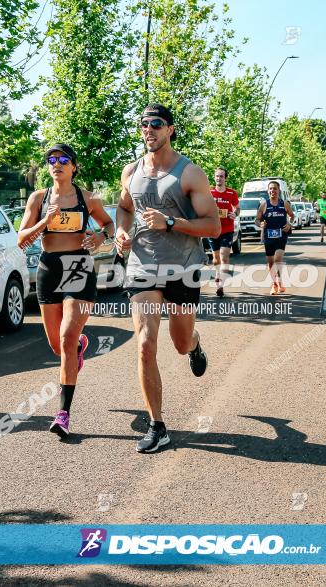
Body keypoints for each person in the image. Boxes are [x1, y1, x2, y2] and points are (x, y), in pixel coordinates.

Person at [115, 104, 220, 454]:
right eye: (143, 124)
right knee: (145, 343)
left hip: (183, 267)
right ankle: (157, 425)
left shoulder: (190, 173)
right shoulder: (131, 172)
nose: (148, 130)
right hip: (142, 266)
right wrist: (120, 232)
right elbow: (126, 207)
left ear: (170, 129)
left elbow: (213, 226)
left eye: (156, 124)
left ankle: (195, 344)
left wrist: (172, 222)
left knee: (179, 341)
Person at [18, 144, 115, 438]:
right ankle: (78, 347)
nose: (56, 164)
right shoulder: (38, 198)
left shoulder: (88, 198)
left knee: (66, 335)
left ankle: (63, 414)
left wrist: (101, 237)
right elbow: (21, 239)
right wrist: (45, 221)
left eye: (62, 159)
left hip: (78, 267)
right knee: (58, 347)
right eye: (51, 160)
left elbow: (110, 224)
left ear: (73, 166)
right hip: (49, 268)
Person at [255, 181, 295, 295]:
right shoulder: (264, 205)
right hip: (269, 236)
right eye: (271, 189)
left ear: (279, 191)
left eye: (275, 189)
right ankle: (276, 283)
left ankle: (277, 283)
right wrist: (260, 224)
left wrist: (289, 224)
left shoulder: (284, 204)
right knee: (271, 263)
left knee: (278, 259)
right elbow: (257, 220)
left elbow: (292, 216)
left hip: (281, 235)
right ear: (268, 191)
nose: (273, 191)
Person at [208, 167, 239, 297]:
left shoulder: (232, 193)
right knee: (215, 260)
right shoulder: (208, 192)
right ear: (214, 177)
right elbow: (203, 206)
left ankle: (220, 285)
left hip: (227, 229)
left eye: (221, 176)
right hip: (213, 229)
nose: (219, 178)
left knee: (224, 256)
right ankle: (217, 273)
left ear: (225, 178)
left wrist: (235, 214)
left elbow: (237, 208)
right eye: (217, 176)